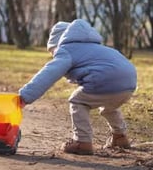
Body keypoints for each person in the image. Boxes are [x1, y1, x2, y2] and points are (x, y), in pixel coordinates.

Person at [18, 19, 137, 155]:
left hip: (102, 79)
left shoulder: (66, 50)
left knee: (77, 101)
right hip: (129, 82)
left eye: (52, 52)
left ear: (58, 43)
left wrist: (25, 96)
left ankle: (82, 141)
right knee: (109, 106)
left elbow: (48, 74)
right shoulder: (96, 48)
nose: (53, 55)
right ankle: (120, 136)